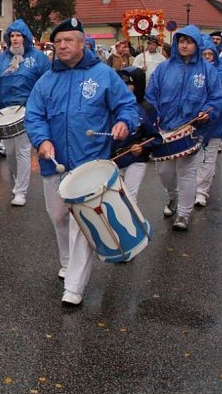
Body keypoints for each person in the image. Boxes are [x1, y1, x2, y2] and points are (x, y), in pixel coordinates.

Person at [25, 18, 138, 306]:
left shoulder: (104, 75)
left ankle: (74, 287)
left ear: (83, 42)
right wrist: (42, 140)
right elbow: (34, 114)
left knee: (80, 224)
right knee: (59, 217)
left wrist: (124, 122)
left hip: (90, 164)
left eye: (68, 40)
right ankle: (67, 263)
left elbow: (126, 105)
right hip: (54, 163)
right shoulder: (46, 80)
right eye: (58, 42)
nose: (62, 46)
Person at [145, 25, 222, 231]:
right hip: (165, 129)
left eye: (188, 42)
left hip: (192, 130)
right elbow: (151, 95)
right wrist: (153, 120)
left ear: (196, 44)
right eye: (181, 41)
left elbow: (216, 98)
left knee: (187, 172)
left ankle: (184, 214)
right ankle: (173, 197)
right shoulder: (164, 68)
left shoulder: (208, 71)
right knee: (164, 171)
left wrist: (208, 112)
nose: (184, 45)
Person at [0, 19, 51, 206]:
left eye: (18, 35)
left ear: (25, 37)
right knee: (9, 151)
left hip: (28, 110)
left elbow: (48, 81)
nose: (15, 39)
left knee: (23, 150)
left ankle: (21, 191)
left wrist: (39, 105)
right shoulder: (1, 59)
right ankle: (18, 182)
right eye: (12, 35)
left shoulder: (38, 58)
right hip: (5, 112)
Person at [195, 35, 222, 207]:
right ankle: (189, 190)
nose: (206, 58)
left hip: (216, 120)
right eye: (203, 55)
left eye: (209, 55)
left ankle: (201, 192)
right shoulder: (192, 72)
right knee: (193, 159)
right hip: (195, 122)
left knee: (208, 158)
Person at [110, 67, 160, 202]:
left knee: (130, 199)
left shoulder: (146, 109)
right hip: (111, 161)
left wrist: (142, 147)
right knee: (114, 199)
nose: (124, 87)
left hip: (135, 159)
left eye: (128, 84)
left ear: (137, 85)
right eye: (120, 84)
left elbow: (156, 138)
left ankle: (132, 222)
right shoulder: (107, 107)